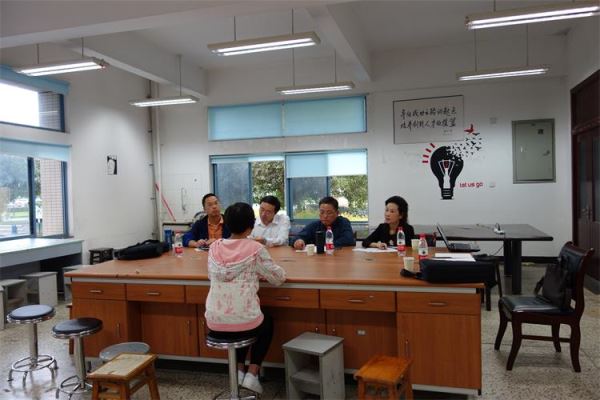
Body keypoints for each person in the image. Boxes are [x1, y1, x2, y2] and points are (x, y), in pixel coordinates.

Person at [205, 202, 286, 394]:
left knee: (239, 318)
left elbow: (212, 275)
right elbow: (278, 278)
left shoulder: (214, 247)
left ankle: (239, 370)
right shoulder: (255, 249)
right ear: (251, 225)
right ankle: (252, 373)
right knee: (262, 320)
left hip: (214, 322)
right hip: (244, 321)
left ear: (227, 224)